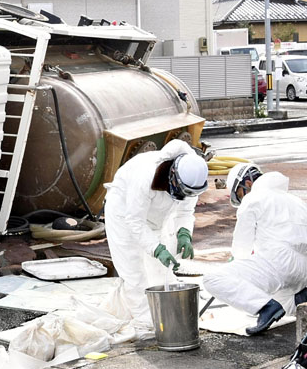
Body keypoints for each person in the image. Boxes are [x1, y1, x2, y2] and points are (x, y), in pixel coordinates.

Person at [104, 139, 209, 330]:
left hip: (156, 215)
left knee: (162, 269)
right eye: (183, 191)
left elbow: (185, 212)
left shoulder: (191, 177)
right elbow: (135, 221)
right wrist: (156, 248)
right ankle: (146, 320)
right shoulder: (145, 177)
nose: (186, 196)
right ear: (173, 176)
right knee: (133, 268)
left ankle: (165, 312)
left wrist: (185, 233)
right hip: (123, 213)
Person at [203, 163, 307, 336]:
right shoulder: (295, 200)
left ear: (248, 184)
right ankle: (299, 300)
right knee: (278, 303)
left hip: (277, 263)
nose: (242, 199)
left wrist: (236, 262)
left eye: (240, 194)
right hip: (303, 270)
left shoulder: (254, 198)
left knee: (213, 279)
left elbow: (241, 247)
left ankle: (266, 308)